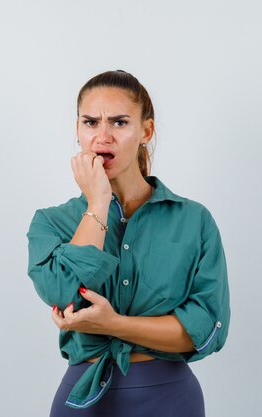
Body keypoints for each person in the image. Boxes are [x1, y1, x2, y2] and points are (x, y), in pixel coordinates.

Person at [26, 70, 230, 417]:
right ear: (77, 130)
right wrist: (97, 204)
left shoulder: (194, 221)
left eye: (119, 123)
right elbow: (63, 293)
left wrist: (112, 324)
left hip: (170, 399)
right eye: (90, 122)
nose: (102, 136)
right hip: (83, 398)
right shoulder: (50, 222)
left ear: (145, 131)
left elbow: (206, 327)